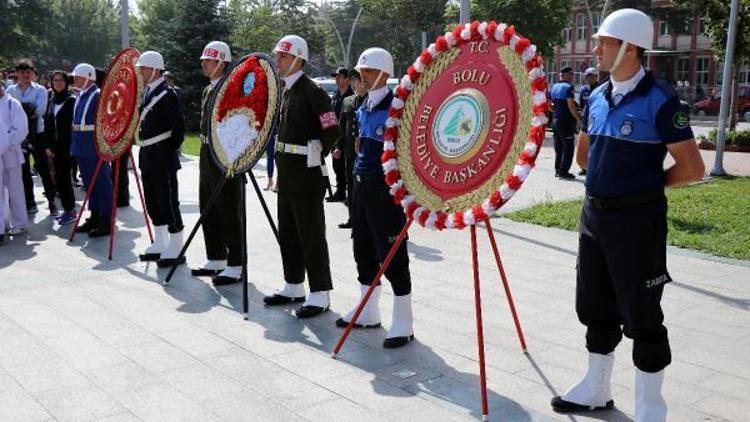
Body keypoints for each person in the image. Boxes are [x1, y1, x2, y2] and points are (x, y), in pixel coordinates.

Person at [551, 9, 705, 422]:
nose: (596, 49)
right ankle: (596, 388)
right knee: (595, 304)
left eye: (604, 42)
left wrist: (646, 188)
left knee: (642, 314)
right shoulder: (597, 96)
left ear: (630, 48)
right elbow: (584, 155)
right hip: (594, 219)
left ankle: (650, 409)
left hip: (637, 224)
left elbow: (692, 168)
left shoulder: (662, 100)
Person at [335, 48, 415, 348]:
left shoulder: (398, 106)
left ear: (384, 73)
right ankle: (368, 310)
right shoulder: (362, 104)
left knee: (392, 253)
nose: (362, 77)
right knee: (363, 248)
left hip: (386, 188)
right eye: (361, 72)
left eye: (368, 72)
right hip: (361, 183)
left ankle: (404, 321)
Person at [263, 35, 342, 319]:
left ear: (298, 58)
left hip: (306, 177)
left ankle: (320, 293)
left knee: (311, 236)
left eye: (283, 56)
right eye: (278, 56)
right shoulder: (286, 92)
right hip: (287, 176)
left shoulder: (313, 92)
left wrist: (316, 150)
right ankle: (293, 284)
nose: (278, 61)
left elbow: (331, 129)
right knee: (289, 234)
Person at [189, 41, 246, 286]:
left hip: (224, 156)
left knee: (228, 210)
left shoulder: (231, 90)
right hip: (206, 152)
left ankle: (236, 263)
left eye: (208, 61)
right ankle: (216, 257)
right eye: (203, 60)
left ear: (221, 62)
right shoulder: (208, 89)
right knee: (208, 207)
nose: (203, 64)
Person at [134, 51, 186, 268]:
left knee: (169, 201)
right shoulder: (148, 92)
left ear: (155, 69)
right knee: (153, 200)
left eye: (144, 68)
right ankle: (160, 240)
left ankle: (176, 245)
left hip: (162, 156)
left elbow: (179, 129)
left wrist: (168, 152)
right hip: (148, 155)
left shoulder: (167, 93)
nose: (141, 72)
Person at [6, 59, 55, 215]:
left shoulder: (40, 90)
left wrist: (18, 111)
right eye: (21, 72)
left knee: (43, 169)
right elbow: (8, 114)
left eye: (28, 72)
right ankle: (30, 202)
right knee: (23, 170)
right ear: (16, 74)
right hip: (19, 136)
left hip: (37, 134)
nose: (25, 75)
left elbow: (39, 111)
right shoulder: (10, 91)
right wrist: (26, 109)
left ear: (32, 73)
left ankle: (52, 201)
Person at [70, 63, 113, 238]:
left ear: (88, 77)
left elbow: (106, 121)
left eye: (78, 77)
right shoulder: (81, 95)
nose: (75, 79)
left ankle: (106, 219)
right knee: (89, 184)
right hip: (81, 144)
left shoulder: (98, 95)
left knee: (102, 184)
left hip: (94, 145)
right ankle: (94, 216)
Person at [43, 70, 77, 225]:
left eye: (61, 80)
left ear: (66, 82)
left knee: (65, 178)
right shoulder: (51, 99)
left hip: (68, 146)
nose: (58, 82)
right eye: (55, 80)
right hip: (54, 147)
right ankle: (66, 209)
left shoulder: (71, 100)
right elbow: (48, 123)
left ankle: (70, 210)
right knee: (58, 179)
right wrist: (48, 146)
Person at [334, 69, 367, 229]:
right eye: (353, 81)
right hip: (349, 151)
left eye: (357, 80)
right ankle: (353, 218)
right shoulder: (347, 101)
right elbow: (341, 127)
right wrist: (338, 147)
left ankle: (366, 219)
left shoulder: (370, 100)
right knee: (351, 184)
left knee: (366, 186)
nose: (354, 84)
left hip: (366, 151)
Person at [0, 82, 29, 241]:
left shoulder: (13, 104)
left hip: (11, 153)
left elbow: (22, 128)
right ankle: (3, 223)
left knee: (15, 189)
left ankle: (20, 223)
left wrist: (5, 143)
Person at [326, 67, 353, 203]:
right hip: (334, 135)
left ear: (348, 79)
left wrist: (340, 145)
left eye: (339, 77)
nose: (336, 79)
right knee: (337, 166)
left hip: (346, 137)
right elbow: (330, 115)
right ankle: (340, 192)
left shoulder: (351, 96)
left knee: (346, 168)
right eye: (335, 77)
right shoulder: (336, 95)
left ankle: (350, 195)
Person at [549, 66, 579, 180]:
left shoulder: (553, 87)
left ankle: (557, 170)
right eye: (571, 74)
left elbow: (549, 105)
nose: (572, 77)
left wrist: (556, 112)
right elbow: (571, 105)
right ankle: (564, 171)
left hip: (555, 120)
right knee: (569, 147)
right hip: (565, 121)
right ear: (566, 75)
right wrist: (578, 119)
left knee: (559, 147)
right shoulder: (568, 87)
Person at [577, 67, 599, 176]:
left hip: (596, 120)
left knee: (594, 144)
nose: (588, 78)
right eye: (586, 76)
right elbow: (581, 104)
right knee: (584, 143)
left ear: (596, 76)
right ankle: (584, 167)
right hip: (585, 120)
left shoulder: (601, 88)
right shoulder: (583, 89)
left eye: (590, 75)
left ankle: (593, 166)